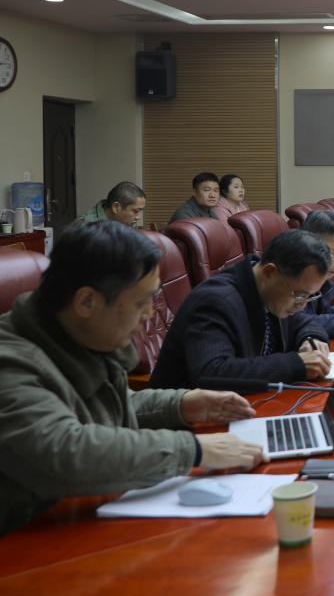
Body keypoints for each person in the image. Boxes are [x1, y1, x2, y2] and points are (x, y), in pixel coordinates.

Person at [0, 221, 263, 536]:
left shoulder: (78, 333)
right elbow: (65, 450)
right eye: (141, 302)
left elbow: (103, 406)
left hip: (79, 518)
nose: (150, 314)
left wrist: (181, 404)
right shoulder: (10, 362)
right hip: (24, 543)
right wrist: (192, 450)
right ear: (87, 302)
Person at [149, 230, 333, 388]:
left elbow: (302, 320)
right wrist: (295, 364)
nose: (303, 304)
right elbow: (212, 371)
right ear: (269, 273)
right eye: (300, 295)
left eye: (310, 296)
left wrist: (311, 338)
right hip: (190, 415)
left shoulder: (272, 291)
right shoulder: (215, 301)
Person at [72, 181, 147, 228]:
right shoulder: (85, 226)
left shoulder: (124, 222)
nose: (138, 217)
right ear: (116, 207)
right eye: (135, 211)